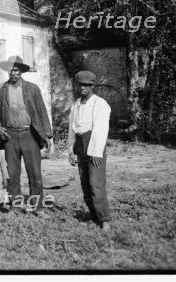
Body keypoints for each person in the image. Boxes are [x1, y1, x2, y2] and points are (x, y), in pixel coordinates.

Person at [0, 55, 53, 216]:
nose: (13, 73)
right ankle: (16, 206)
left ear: (21, 71)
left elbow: (42, 111)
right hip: (10, 136)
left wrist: (47, 135)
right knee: (12, 174)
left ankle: (38, 207)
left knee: (35, 173)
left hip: (29, 134)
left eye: (16, 70)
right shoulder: (1, 90)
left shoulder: (33, 88)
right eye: (11, 70)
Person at [67, 70, 112, 232]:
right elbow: (72, 128)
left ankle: (104, 219)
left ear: (93, 86)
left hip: (93, 144)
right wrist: (71, 150)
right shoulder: (76, 105)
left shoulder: (100, 104)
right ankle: (93, 216)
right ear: (77, 85)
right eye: (81, 85)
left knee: (96, 184)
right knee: (85, 182)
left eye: (87, 85)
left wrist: (96, 152)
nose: (83, 88)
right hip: (80, 144)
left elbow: (101, 129)